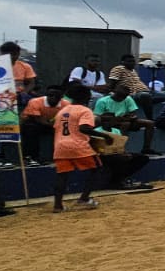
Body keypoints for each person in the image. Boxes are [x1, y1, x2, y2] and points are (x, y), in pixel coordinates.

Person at [51, 83, 110, 213]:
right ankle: (84, 198)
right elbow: (84, 128)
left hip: (60, 146)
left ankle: (57, 205)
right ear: (86, 98)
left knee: (62, 176)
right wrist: (104, 135)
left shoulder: (63, 111)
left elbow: (56, 127)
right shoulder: (85, 110)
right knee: (96, 169)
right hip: (78, 145)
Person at [93, 83, 157, 155]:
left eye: (124, 97)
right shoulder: (102, 101)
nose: (122, 99)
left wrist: (132, 117)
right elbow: (98, 116)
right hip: (110, 123)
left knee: (150, 123)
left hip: (126, 120)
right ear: (115, 93)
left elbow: (133, 113)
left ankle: (146, 148)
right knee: (125, 124)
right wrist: (114, 119)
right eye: (120, 96)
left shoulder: (128, 99)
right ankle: (119, 148)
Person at [105, 53, 165, 120]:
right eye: (129, 61)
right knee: (145, 96)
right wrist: (112, 92)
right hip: (134, 94)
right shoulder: (118, 69)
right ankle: (150, 119)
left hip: (148, 91)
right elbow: (112, 84)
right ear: (122, 62)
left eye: (133, 61)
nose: (132, 63)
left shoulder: (133, 71)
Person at [19, 85, 68, 165]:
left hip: (51, 124)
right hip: (33, 122)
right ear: (46, 94)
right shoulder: (35, 102)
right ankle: (30, 157)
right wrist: (54, 126)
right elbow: (38, 119)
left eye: (56, 96)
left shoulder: (66, 104)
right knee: (30, 129)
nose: (53, 98)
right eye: (50, 95)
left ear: (61, 96)